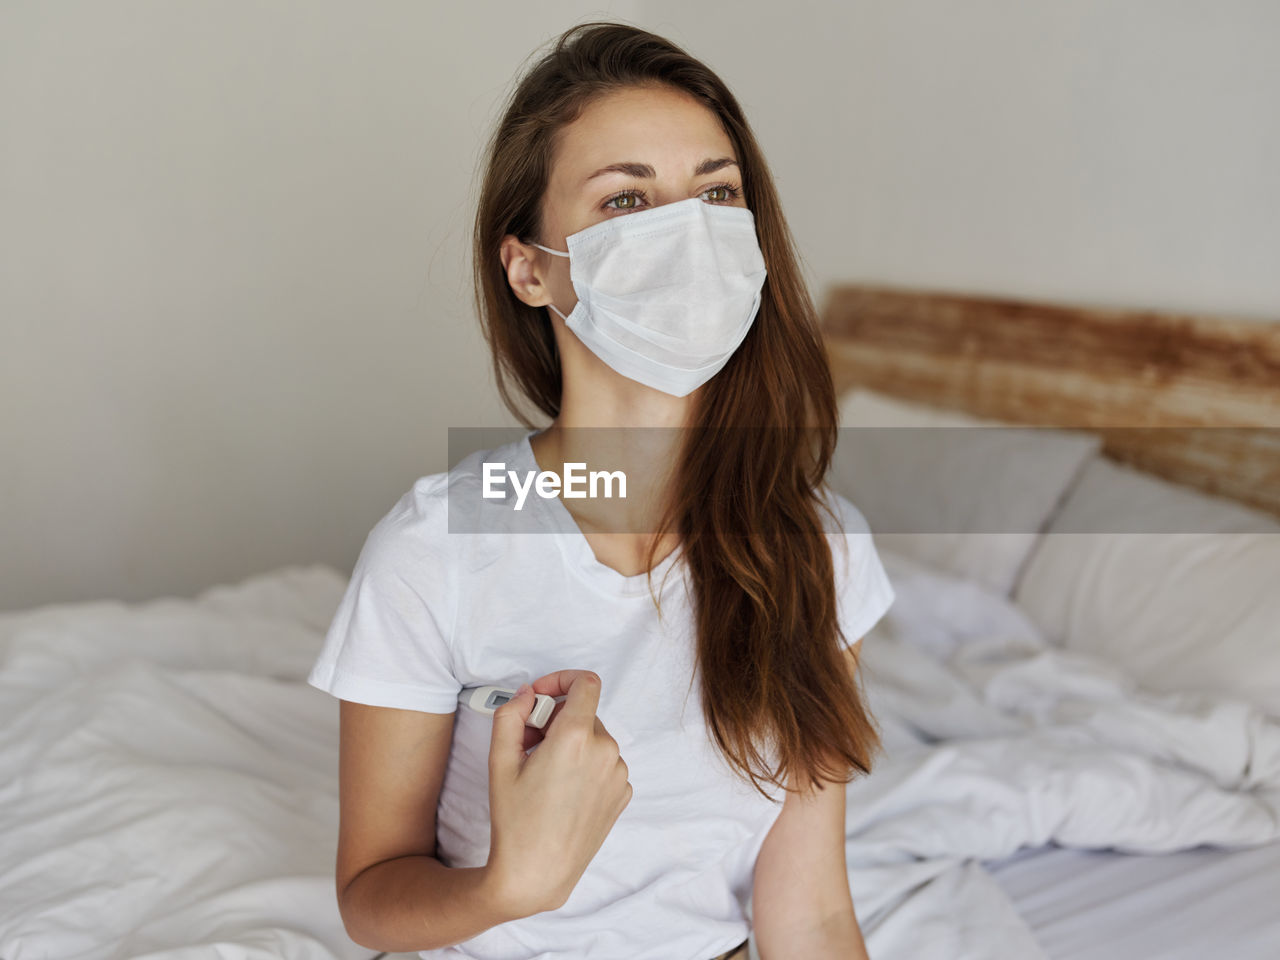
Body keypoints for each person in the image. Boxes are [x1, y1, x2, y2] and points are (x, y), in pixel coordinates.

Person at [307, 20, 894, 960]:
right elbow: (373, 894)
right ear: (530, 269)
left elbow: (811, 910)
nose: (687, 232)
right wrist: (511, 887)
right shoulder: (436, 548)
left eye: (717, 192)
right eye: (627, 200)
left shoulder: (820, 544)